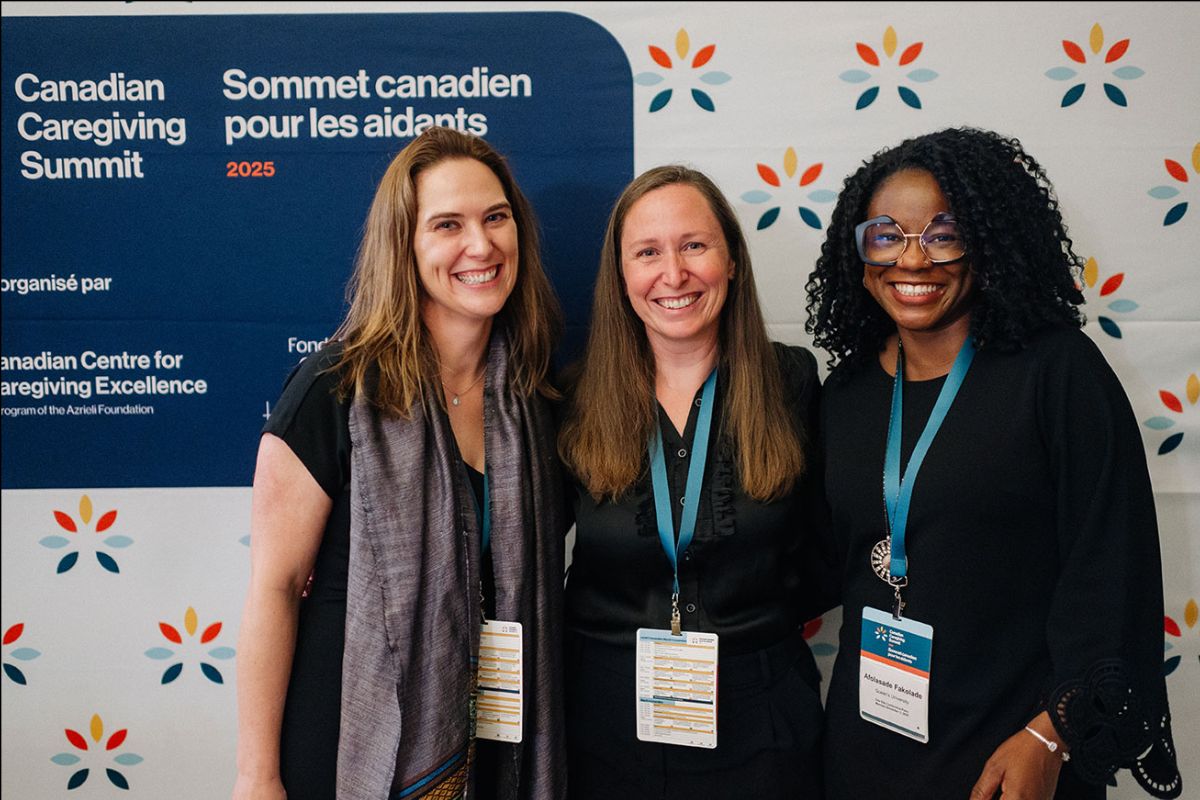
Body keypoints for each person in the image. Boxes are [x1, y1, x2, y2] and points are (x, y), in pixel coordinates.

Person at [806, 127, 1181, 799]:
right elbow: (809, 564)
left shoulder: (1058, 373)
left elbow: (1111, 575)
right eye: (886, 235)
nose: (911, 262)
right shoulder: (847, 392)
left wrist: (1050, 736)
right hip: (867, 756)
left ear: (987, 242)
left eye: (943, 234)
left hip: (1013, 763)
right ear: (856, 252)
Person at [233, 126, 568, 800]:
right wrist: (256, 776)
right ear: (405, 246)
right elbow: (274, 589)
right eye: (448, 225)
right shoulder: (334, 393)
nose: (481, 245)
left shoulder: (536, 399)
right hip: (348, 747)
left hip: (500, 743)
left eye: (495, 218)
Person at [558, 165, 831, 799]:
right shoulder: (571, 398)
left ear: (731, 259)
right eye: (647, 252)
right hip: (604, 719)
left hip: (762, 715)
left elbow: (826, 547)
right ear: (622, 276)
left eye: (694, 246)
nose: (673, 275)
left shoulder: (793, 383)